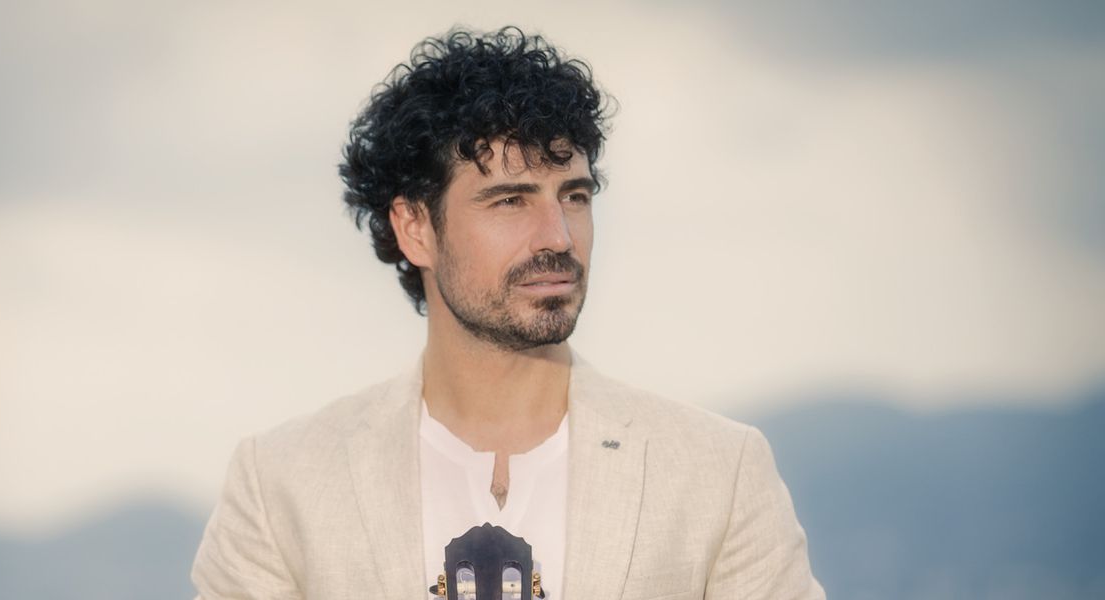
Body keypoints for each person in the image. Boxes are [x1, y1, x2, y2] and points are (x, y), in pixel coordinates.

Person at [191, 26, 825, 600]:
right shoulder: (282, 486)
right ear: (415, 228)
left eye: (573, 196)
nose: (558, 236)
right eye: (510, 201)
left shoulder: (718, 472)